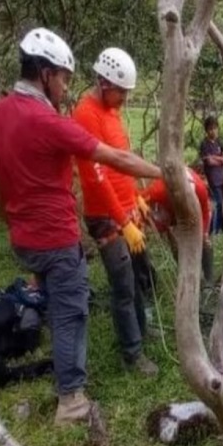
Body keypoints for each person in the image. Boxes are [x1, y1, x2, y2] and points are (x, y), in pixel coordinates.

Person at [0, 28, 163, 426]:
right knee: (71, 311)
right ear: (46, 73)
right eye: (64, 77)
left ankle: (77, 359)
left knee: (70, 298)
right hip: (57, 234)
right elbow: (109, 161)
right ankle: (72, 401)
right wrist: (163, 172)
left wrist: (8, 218)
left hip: (26, 234)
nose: (66, 87)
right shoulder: (55, 121)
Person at [73, 47, 158, 377]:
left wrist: (136, 197)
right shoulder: (86, 115)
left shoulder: (112, 112)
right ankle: (132, 353)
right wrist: (123, 221)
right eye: (120, 91)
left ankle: (140, 327)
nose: (124, 98)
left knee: (137, 276)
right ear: (103, 82)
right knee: (122, 284)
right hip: (107, 216)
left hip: (126, 211)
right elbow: (96, 178)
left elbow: (122, 161)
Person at [140, 167, 214, 285]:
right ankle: (185, 276)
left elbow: (205, 214)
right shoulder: (157, 192)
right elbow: (138, 201)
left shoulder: (200, 191)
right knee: (176, 243)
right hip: (168, 210)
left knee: (204, 241)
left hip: (192, 212)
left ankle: (209, 281)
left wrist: (203, 234)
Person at [199, 116, 223, 235]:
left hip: (222, 177)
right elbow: (209, 162)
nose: (213, 131)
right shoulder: (204, 144)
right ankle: (214, 230)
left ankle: (222, 227)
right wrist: (220, 160)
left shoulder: (220, 142)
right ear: (207, 130)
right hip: (213, 179)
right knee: (217, 203)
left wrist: (215, 157)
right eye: (210, 129)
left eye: (215, 128)